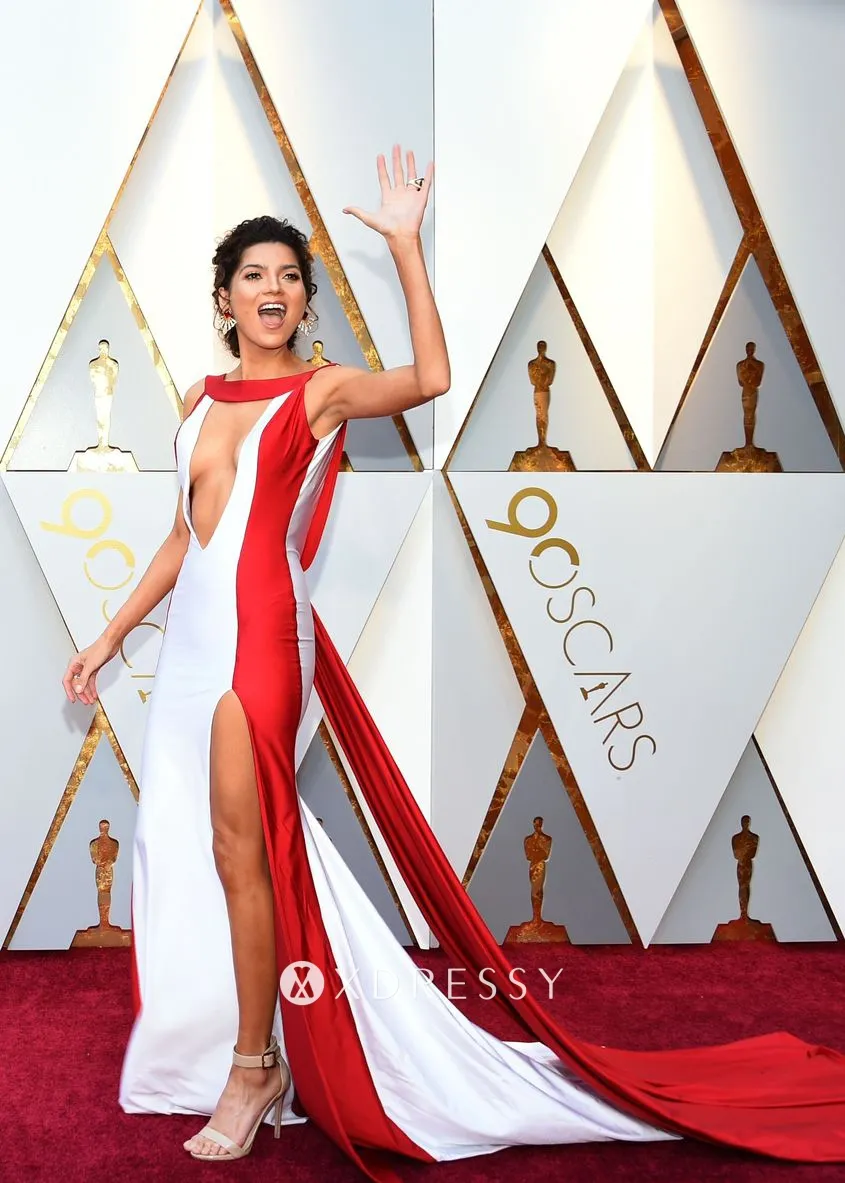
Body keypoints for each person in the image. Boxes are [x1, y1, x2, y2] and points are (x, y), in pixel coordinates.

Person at [62, 147, 845, 1176]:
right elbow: (181, 536)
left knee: (248, 852)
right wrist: (112, 633)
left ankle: (256, 1066)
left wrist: (403, 249)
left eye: (290, 276)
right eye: (254, 274)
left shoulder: (323, 392)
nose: (274, 288)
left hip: (262, 643)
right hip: (193, 651)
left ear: (302, 304)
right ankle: (249, 1046)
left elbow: (429, 379)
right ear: (223, 299)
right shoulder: (197, 405)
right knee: (214, 847)